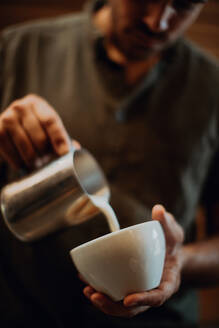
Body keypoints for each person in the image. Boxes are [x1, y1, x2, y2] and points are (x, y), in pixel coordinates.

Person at [0, 0, 219, 327]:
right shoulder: (16, 50)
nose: (157, 22)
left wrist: (181, 261)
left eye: (184, 5)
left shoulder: (212, 88)